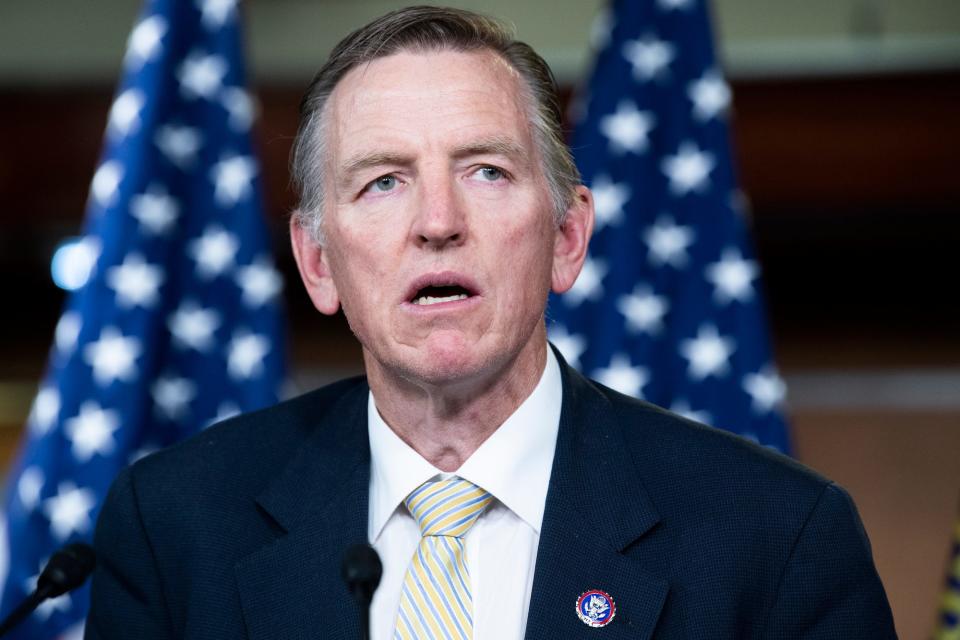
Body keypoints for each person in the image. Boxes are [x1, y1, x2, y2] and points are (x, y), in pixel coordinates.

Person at [86, 6, 896, 639]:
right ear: (318, 262)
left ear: (568, 239)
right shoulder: (176, 527)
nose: (438, 221)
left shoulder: (775, 537)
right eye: (383, 182)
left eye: (486, 170)